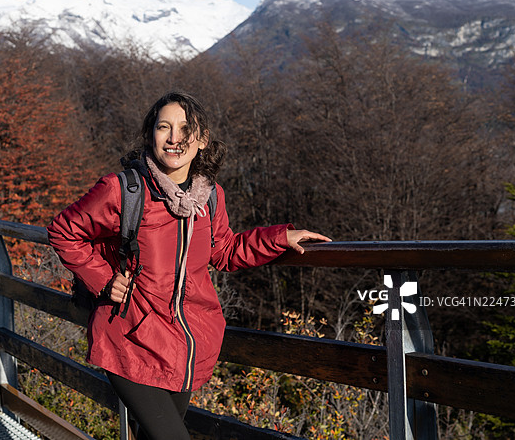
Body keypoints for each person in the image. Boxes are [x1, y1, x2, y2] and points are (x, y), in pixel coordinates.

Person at [47, 91, 330, 440]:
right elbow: (63, 230)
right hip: (131, 338)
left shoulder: (210, 195)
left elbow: (223, 251)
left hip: (186, 343)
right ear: (151, 134)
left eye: (185, 128)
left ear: (202, 140)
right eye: (164, 127)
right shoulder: (123, 190)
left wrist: (279, 238)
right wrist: (104, 280)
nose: (175, 137)